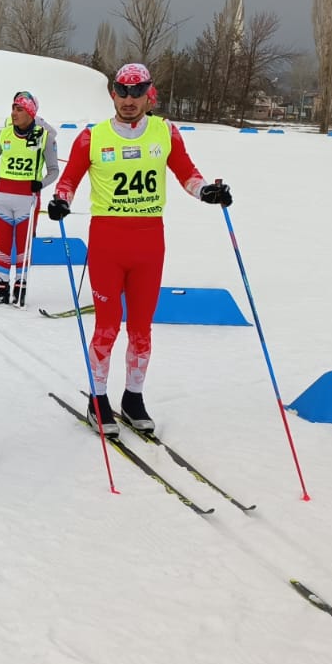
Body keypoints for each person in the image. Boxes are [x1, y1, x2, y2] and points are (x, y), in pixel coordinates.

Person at [47, 62, 231, 436]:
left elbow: (187, 174)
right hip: (107, 242)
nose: (129, 100)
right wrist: (60, 200)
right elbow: (67, 181)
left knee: (142, 329)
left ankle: (133, 398)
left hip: (149, 242)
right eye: (122, 91)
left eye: (137, 92)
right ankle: (98, 400)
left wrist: (208, 193)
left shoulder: (166, 132)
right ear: (113, 93)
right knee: (107, 328)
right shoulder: (91, 137)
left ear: (150, 93)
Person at [0, 91, 60, 307]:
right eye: (13, 109)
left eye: (19, 109)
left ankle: (20, 286)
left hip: (27, 199)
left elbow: (54, 171)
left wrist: (41, 184)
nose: (14, 113)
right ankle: (2, 287)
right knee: (3, 246)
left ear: (30, 113)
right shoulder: (3, 134)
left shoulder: (44, 136)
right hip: (3, 197)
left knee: (23, 247)